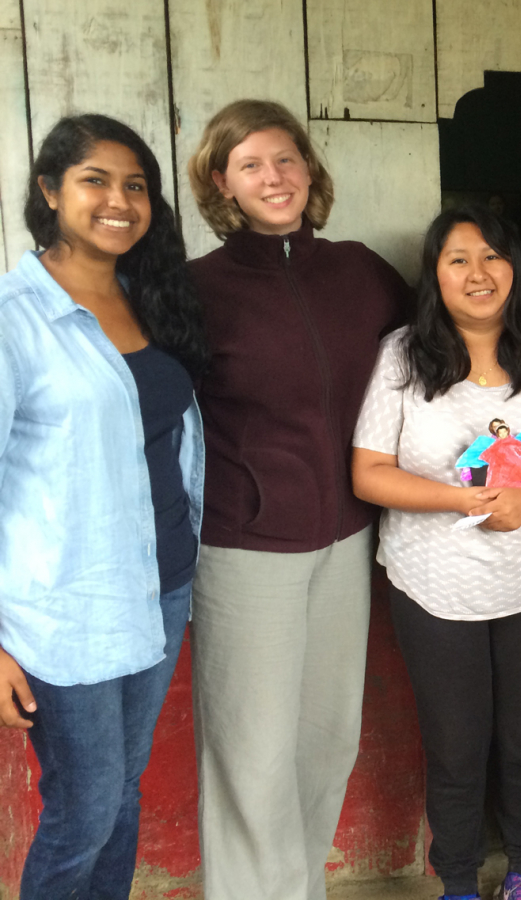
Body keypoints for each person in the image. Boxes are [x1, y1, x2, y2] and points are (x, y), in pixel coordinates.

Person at [185, 99, 412, 900]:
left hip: (346, 538)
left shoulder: (359, 271)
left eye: (285, 159)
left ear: (310, 169)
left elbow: (452, 336)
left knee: (326, 740)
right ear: (223, 183)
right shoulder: (194, 289)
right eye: (250, 165)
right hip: (243, 547)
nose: (273, 177)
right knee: (251, 752)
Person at [352, 205, 521, 900]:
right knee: (457, 750)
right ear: (435, 274)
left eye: (492, 256)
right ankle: (458, 883)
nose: (478, 272)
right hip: (435, 586)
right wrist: (462, 500)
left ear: (515, 269)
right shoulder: (404, 356)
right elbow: (369, 472)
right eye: (458, 258)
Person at [0, 114, 206, 897]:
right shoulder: (15, 319)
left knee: (121, 794)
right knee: (85, 806)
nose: (118, 200)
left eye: (135, 186)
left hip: (161, 589)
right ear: (50, 192)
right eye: (95, 180)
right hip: (64, 609)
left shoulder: (147, 298)